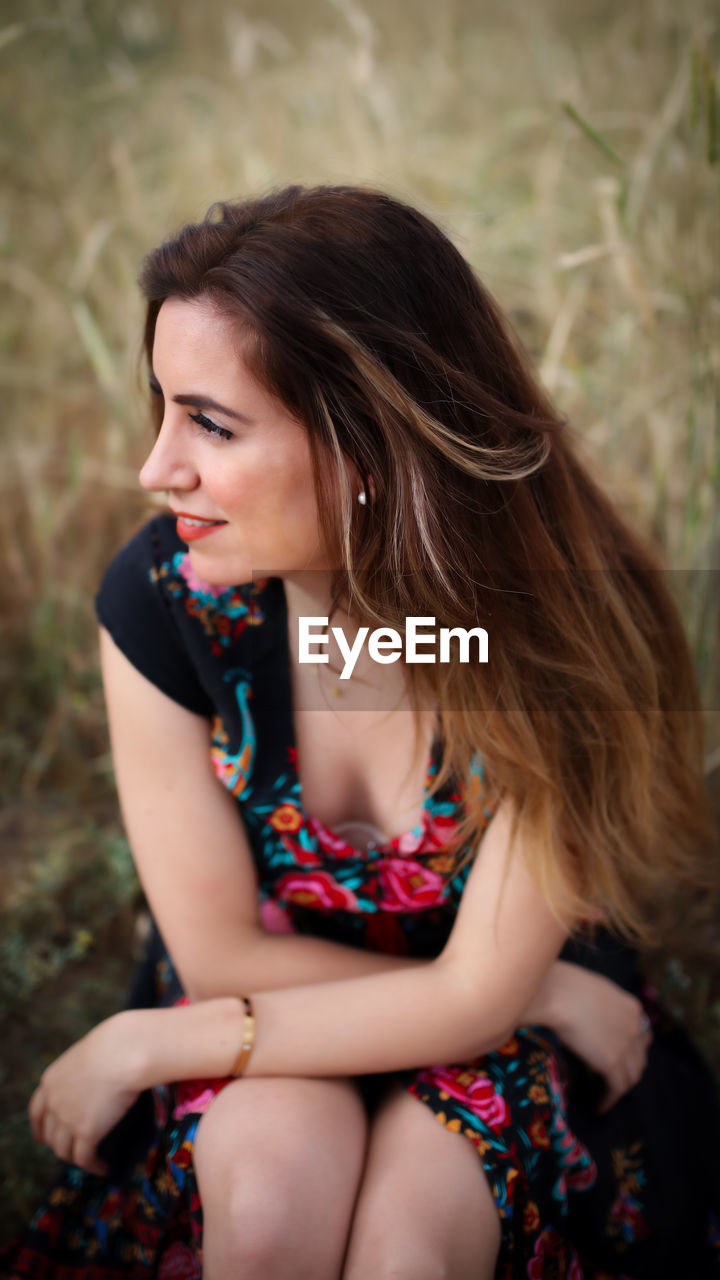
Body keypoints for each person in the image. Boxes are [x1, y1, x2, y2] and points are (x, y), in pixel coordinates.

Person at [2, 184, 720, 1280]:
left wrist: (147, 1040)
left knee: (408, 1255)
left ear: (368, 448)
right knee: (270, 1219)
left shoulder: (554, 631)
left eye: (210, 421)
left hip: (516, 1037)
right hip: (279, 986)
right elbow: (221, 955)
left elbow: (474, 1001)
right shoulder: (168, 597)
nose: (157, 469)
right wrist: (524, 986)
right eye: (163, 407)